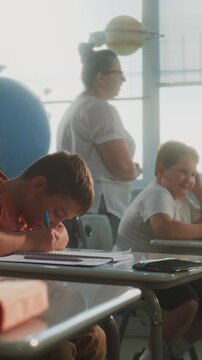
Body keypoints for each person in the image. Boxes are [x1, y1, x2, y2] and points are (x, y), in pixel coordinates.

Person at [0, 150, 106, 360]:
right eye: (58, 213)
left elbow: (61, 235)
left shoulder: (29, 211)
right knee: (59, 351)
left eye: (64, 218)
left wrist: (51, 236)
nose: (56, 223)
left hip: (17, 301)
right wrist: (30, 241)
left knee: (94, 336)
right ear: (38, 185)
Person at [114, 141, 202, 360]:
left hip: (161, 269)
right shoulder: (157, 193)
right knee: (188, 304)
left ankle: (171, 352)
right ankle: (151, 355)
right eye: (183, 172)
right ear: (161, 170)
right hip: (133, 269)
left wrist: (199, 191)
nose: (189, 179)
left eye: (193, 174)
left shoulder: (180, 199)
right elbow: (165, 229)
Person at [57, 42, 142, 241]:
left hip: (79, 203)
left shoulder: (76, 108)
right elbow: (121, 167)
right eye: (119, 73)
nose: (124, 79)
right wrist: (134, 171)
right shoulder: (101, 109)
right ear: (101, 77)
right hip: (101, 206)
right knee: (101, 267)